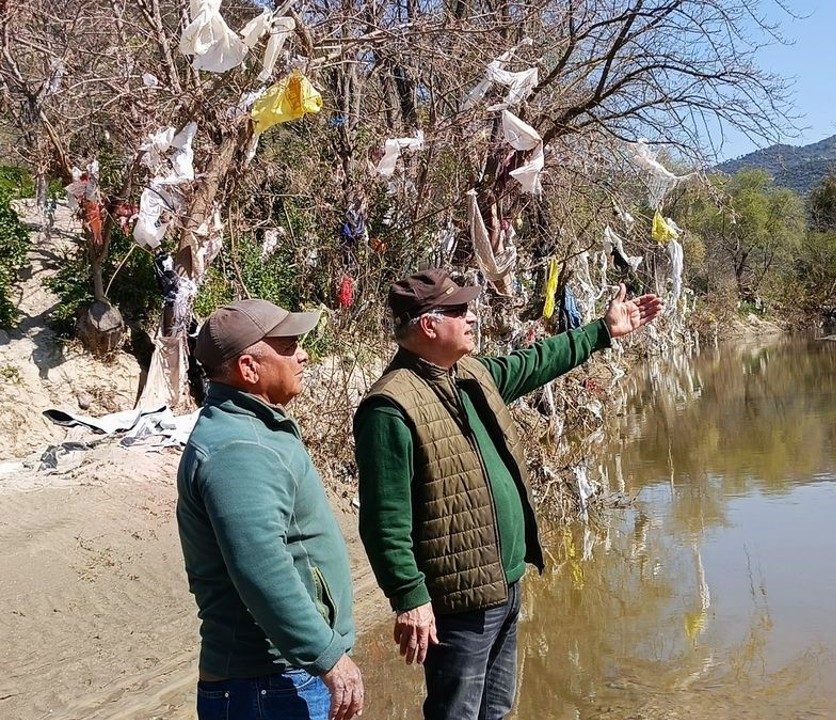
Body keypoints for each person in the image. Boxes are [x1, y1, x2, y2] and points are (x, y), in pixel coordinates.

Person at [354, 269, 662, 720]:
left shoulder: (471, 373)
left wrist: (603, 331)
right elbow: (384, 519)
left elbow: (534, 362)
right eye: (460, 310)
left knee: (496, 709)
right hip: (458, 603)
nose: (473, 316)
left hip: (505, 581)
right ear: (428, 324)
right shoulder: (389, 407)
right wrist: (409, 597)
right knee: (455, 713)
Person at [177, 298, 364, 720]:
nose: (303, 354)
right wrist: (328, 656)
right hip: (267, 686)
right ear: (249, 367)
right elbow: (261, 566)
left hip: (276, 682)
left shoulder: (253, 430)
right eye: (289, 345)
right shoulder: (239, 449)